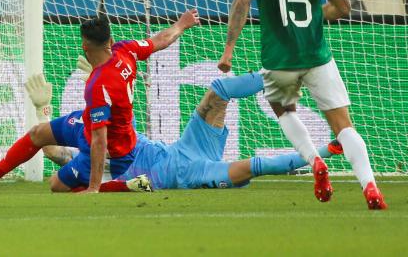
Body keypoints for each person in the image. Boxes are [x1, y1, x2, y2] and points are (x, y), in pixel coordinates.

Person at [218, 0, 387, 210]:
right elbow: (343, 6)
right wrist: (315, 16)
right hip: (316, 54)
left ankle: (315, 163)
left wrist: (228, 51)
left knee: (284, 111)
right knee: (343, 125)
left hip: (279, 57)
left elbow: (242, 1)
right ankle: (371, 188)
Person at [0, 10, 200, 193]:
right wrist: (182, 24)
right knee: (38, 133)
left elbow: (99, 141)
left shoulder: (98, 86)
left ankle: (125, 186)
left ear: (84, 46)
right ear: (110, 39)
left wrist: (93, 188)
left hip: (112, 152)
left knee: (56, 185)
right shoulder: (126, 49)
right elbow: (160, 40)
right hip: (90, 128)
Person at [93, 72, 339, 192]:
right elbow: (136, 185)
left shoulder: (122, 139)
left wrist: (94, 77)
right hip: (191, 173)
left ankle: (278, 76)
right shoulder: (106, 174)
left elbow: (121, 110)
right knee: (255, 166)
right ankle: (325, 151)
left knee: (219, 90)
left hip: (188, 145)